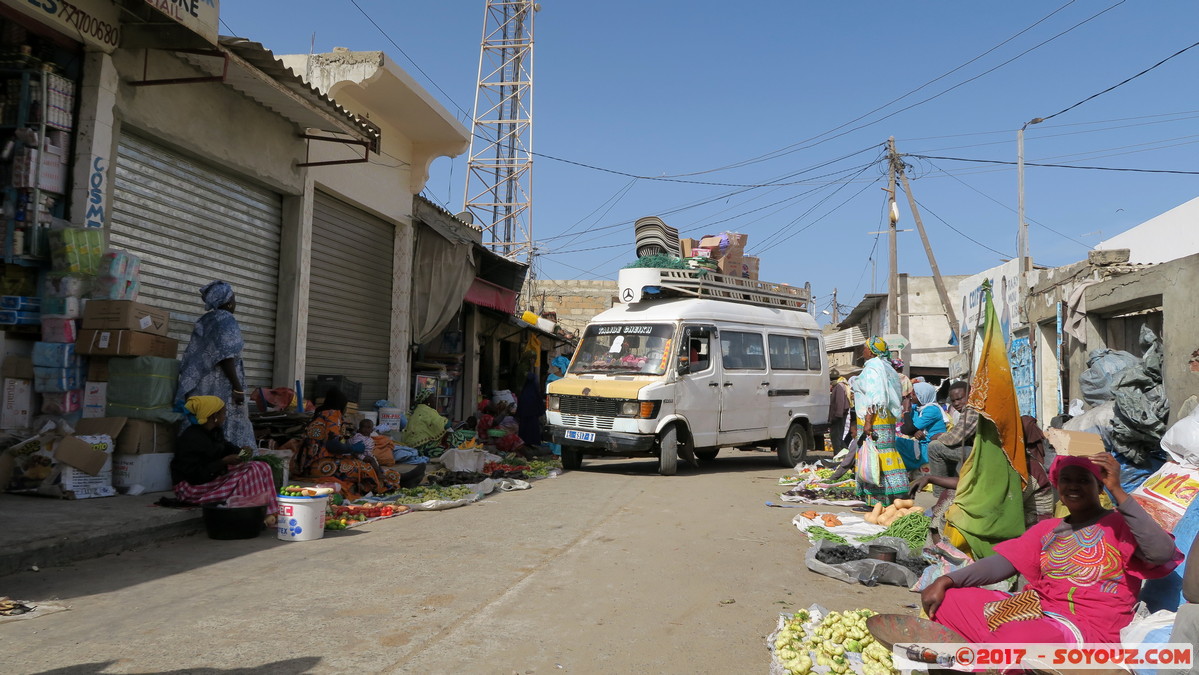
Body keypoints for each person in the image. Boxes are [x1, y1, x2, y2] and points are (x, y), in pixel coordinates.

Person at [921, 454, 1182, 644]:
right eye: (1066, 480)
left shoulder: (1119, 524)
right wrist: (947, 579)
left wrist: (1119, 491)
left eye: (1083, 480)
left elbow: (1161, 553)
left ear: (1099, 486)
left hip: (1089, 628)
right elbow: (1003, 564)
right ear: (1058, 486)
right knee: (948, 601)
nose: (1073, 486)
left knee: (1015, 637)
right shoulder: (1047, 529)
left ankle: (1000, 656)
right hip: (1038, 609)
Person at [293, 388, 417, 499]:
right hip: (319, 465)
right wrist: (352, 448)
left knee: (364, 462)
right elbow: (333, 446)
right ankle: (394, 481)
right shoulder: (332, 415)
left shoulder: (321, 413)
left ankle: (398, 478)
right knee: (363, 467)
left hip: (310, 464)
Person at [176, 280, 254, 448]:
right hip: (221, 386)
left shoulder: (206, 320)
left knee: (205, 422)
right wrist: (237, 387)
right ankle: (233, 463)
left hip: (203, 385)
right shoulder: (226, 319)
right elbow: (226, 356)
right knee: (225, 421)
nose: (235, 301)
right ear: (228, 300)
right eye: (233, 297)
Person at [171, 396, 278, 517]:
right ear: (214, 416)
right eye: (223, 412)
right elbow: (195, 475)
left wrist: (243, 452)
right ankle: (248, 514)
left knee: (263, 466)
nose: (225, 415)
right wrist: (223, 462)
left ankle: (270, 512)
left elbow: (229, 448)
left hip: (209, 478)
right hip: (189, 488)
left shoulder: (215, 433)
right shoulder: (192, 438)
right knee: (251, 470)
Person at [850, 337, 907, 506]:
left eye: (865, 348)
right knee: (880, 456)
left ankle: (877, 503)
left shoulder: (874, 367)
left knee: (873, 457)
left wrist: (868, 422)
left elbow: (875, 397)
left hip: (874, 420)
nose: (863, 351)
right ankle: (891, 499)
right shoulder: (887, 367)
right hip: (884, 419)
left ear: (873, 351)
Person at [924, 381, 976, 495]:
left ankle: (940, 494)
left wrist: (939, 436)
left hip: (983, 454)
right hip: (978, 451)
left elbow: (954, 438)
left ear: (970, 396)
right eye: (953, 401)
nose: (956, 403)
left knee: (935, 447)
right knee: (945, 447)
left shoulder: (972, 409)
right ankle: (950, 490)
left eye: (960, 399)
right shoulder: (966, 410)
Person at [898, 381, 948, 474]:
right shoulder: (916, 408)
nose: (911, 397)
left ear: (922, 396)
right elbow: (904, 429)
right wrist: (914, 431)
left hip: (930, 445)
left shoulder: (932, 410)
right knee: (895, 441)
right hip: (921, 442)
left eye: (914, 394)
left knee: (898, 444)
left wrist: (906, 411)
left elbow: (908, 428)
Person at [828, 369, 852, 456]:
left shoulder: (839, 386)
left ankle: (839, 456)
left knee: (836, 438)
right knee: (838, 437)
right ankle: (845, 455)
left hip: (838, 416)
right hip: (839, 415)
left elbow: (839, 402)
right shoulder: (841, 385)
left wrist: (836, 416)